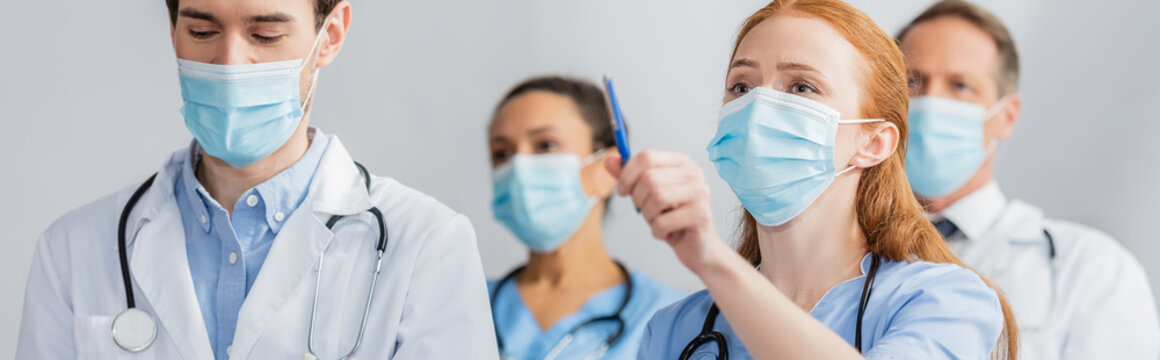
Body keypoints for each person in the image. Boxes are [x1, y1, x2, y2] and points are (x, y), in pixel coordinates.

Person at [16, 0, 497, 358]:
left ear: (328, 37)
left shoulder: (427, 244)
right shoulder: (74, 249)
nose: (229, 63)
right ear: (172, 30)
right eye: (202, 31)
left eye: (265, 35)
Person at [608, 0, 1020, 358]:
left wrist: (712, 260)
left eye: (802, 87)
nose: (759, 107)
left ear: (874, 142)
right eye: (741, 86)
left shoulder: (944, 301)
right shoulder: (675, 330)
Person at [896, 1, 1160, 358]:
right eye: (912, 81)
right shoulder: (839, 254)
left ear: (1007, 116)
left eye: (960, 85)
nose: (930, 101)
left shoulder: (1089, 268)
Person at [486, 76, 685, 359]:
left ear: (609, 168)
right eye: (502, 153)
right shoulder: (464, 302)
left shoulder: (672, 317)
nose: (518, 167)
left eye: (545, 145)